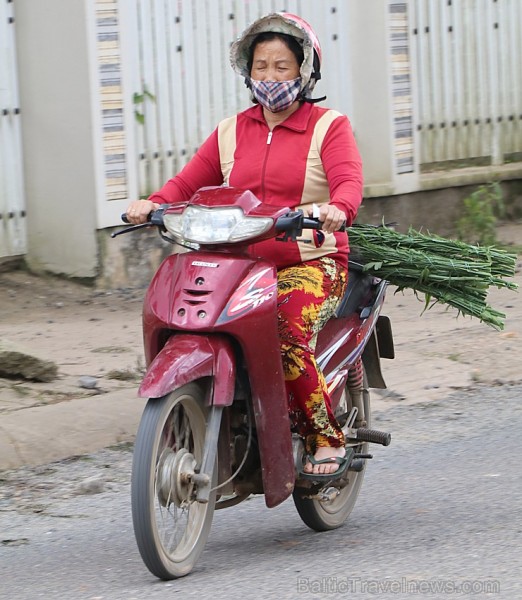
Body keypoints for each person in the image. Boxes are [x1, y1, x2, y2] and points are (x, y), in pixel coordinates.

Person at [126, 13, 363, 477]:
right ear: (247, 72)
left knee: (287, 329)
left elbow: (349, 183)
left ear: (304, 71)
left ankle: (324, 436)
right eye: (260, 66)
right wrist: (152, 204)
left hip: (310, 261)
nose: (270, 77)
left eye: (282, 66)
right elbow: (187, 182)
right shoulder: (231, 130)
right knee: (188, 313)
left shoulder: (328, 127)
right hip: (240, 267)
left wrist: (337, 208)